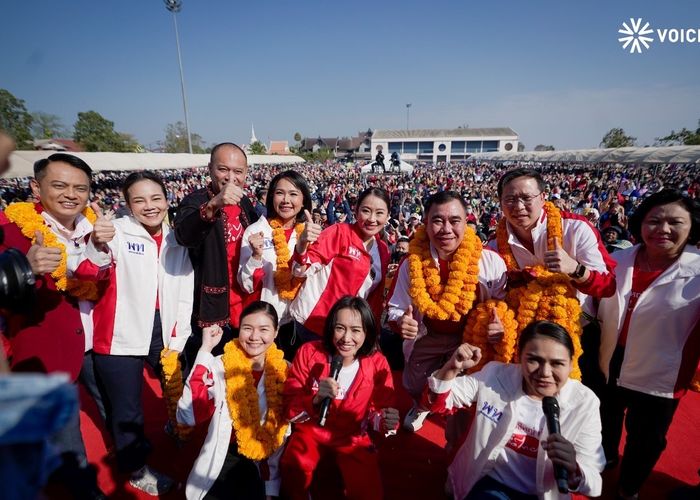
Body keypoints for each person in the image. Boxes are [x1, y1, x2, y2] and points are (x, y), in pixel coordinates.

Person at [74, 171, 194, 495]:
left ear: (168, 200)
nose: (149, 206)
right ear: (127, 204)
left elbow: (185, 287)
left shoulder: (175, 238)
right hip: (117, 337)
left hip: (162, 330)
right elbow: (86, 274)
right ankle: (135, 468)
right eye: (139, 200)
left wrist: (179, 335)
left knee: (178, 391)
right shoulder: (115, 231)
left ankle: (177, 430)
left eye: (156, 198)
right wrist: (97, 244)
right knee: (127, 410)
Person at [0, 153, 109, 499]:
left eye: (80, 187)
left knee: (113, 411)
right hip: (45, 353)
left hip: (99, 342)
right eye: (59, 185)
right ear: (36, 187)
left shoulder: (97, 227)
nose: (70, 195)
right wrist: (23, 271)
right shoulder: (8, 231)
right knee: (67, 438)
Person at [425, 320, 605, 499]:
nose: (545, 372)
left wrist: (574, 468)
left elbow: (594, 483)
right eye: (534, 360)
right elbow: (436, 402)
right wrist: (451, 368)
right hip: (489, 483)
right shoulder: (494, 375)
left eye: (557, 363)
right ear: (519, 356)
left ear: (571, 364)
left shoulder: (585, 403)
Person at [597, 190, 700, 499]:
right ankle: (606, 460)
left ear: (692, 226)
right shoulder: (617, 258)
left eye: (674, 222)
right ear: (640, 223)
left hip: (662, 372)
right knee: (605, 419)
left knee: (647, 438)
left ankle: (629, 488)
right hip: (611, 357)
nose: (663, 229)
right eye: (654, 221)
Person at [386, 191, 507, 432]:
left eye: (454, 221)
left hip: (470, 336)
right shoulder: (412, 263)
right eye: (437, 220)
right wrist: (402, 323)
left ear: (466, 222)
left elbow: (503, 305)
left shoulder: (491, 262)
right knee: (414, 382)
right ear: (426, 224)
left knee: (467, 391)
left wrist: (499, 323)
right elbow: (396, 308)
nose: (446, 229)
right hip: (428, 332)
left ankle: (458, 419)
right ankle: (420, 407)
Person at [280, 296, 398, 500]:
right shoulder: (309, 352)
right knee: (293, 468)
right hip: (312, 431)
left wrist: (387, 421)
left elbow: (381, 411)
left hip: (353, 437)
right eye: (340, 328)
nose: (346, 338)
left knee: (369, 493)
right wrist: (315, 400)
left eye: (356, 330)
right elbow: (288, 407)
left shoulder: (377, 363)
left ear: (367, 332)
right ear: (330, 328)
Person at [177, 301, 289, 500]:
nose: (255, 337)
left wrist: (271, 488)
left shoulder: (285, 371)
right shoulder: (220, 365)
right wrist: (205, 351)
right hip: (224, 455)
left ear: (276, 331)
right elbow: (188, 415)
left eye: (264, 329)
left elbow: (282, 432)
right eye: (247, 328)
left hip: (261, 461)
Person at [174, 143, 259, 367]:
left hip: (244, 303)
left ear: (246, 173)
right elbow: (183, 235)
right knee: (210, 372)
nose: (231, 177)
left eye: (238, 171)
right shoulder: (195, 201)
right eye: (223, 169)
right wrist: (213, 205)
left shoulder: (244, 202)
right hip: (210, 307)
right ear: (210, 168)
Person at [288, 187, 391, 340]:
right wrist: (302, 244)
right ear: (355, 211)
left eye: (379, 213)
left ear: (388, 216)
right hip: (315, 323)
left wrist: (372, 333)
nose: (372, 219)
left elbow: (374, 299)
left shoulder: (383, 250)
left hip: (347, 331)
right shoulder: (339, 232)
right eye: (366, 211)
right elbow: (299, 271)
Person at [238, 170, 312, 358]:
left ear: (303, 200)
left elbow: (307, 275)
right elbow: (246, 285)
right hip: (263, 326)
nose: (286, 200)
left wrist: (303, 246)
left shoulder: (310, 234)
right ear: (271, 198)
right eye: (280, 193)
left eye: (293, 194)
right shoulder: (255, 232)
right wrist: (255, 256)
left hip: (299, 323)